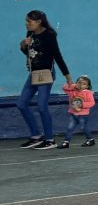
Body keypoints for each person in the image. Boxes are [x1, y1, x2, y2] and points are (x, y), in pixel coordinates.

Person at [17, 10, 71, 149]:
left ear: (39, 21)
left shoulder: (49, 35)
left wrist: (68, 78)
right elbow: (30, 54)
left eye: (29, 21)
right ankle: (36, 137)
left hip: (46, 74)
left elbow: (57, 56)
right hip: (34, 74)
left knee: (41, 106)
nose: (26, 24)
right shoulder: (30, 34)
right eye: (26, 21)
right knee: (22, 104)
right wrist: (23, 45)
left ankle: (50, 140)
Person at [59, 75, 96, 148]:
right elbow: (64, 88)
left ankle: (90, 139)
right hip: (73, 113)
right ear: (76, 83)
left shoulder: (88, 93)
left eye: (84, 84)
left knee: (83, 127)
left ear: (87, 86)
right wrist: (73, 86)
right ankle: (66, 142)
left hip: (83, 114)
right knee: (70, 127)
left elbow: (92, 103)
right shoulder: (72, 91)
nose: (81, 85)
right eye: (79, 82)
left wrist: (81, 105)